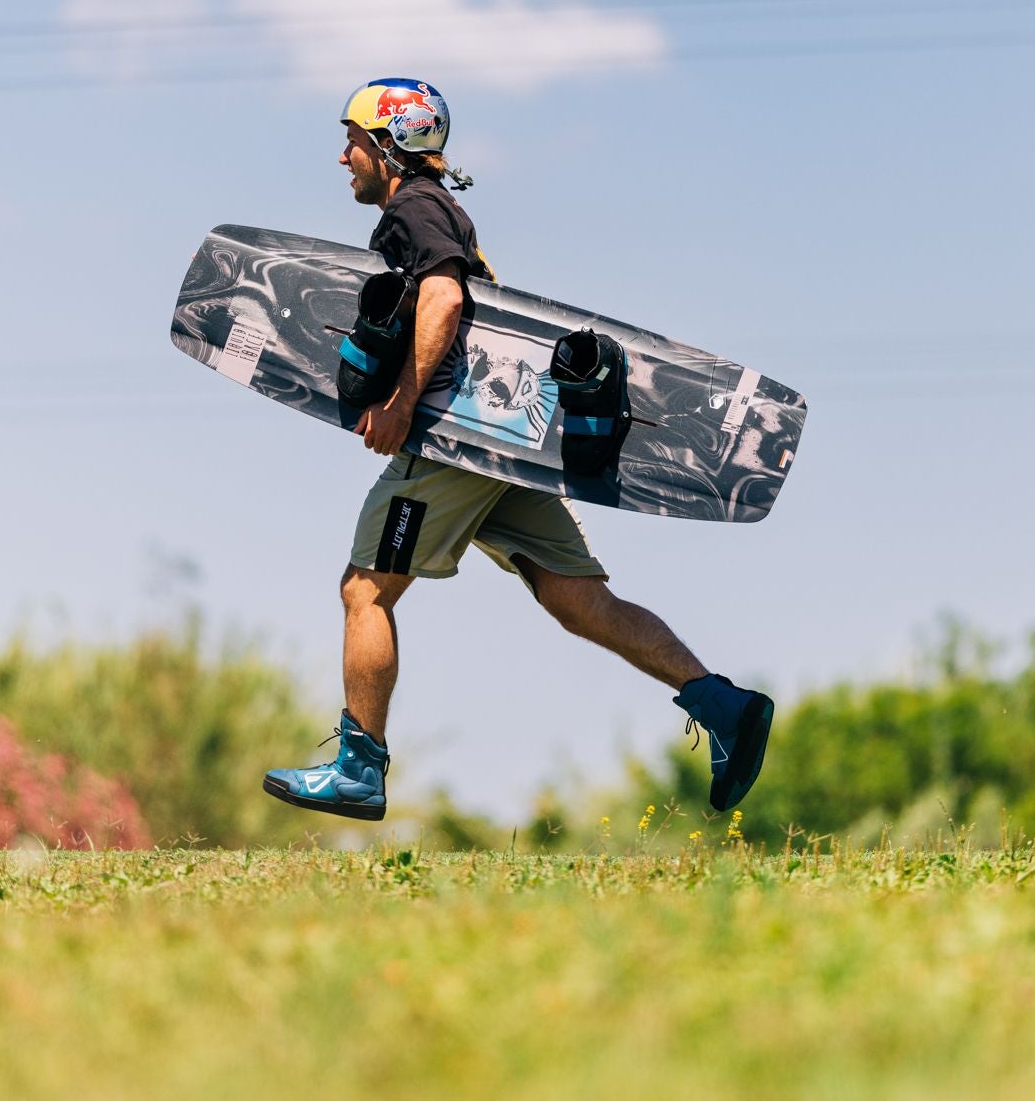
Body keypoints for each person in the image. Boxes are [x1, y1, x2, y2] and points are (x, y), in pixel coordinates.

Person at [262, 78, 773, 822]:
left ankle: (358, 766)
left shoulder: (413, 208)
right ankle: (721, 703)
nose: (343, 157)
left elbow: (444, 297)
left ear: (388, 146)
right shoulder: (441, 208)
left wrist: (403, 402)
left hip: (455, 443)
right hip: (508, 441)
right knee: (577, 598)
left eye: (353, 141)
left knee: (364, 590)